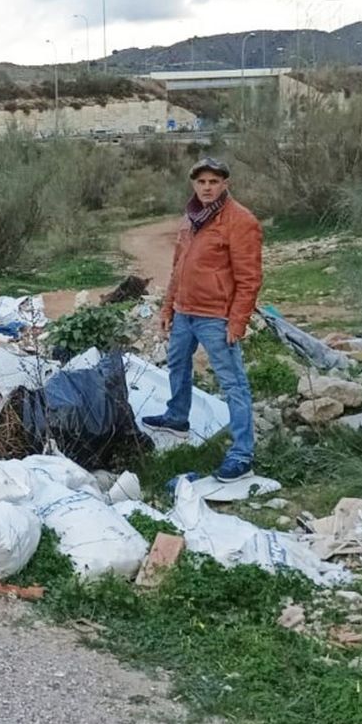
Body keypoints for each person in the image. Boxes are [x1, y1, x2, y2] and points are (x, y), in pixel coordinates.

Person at [143, 156, 264, 482]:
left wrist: (237, 322)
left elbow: (250, 279)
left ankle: (242, 455)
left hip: (216, 317)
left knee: (233, 383)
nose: (207, 188)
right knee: (177, 364)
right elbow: (178, 267)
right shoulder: (190, 217)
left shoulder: (241, 221)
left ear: (225, 184)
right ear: (194, 184)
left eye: (213, 182)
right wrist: (168, 307)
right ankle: (177, 418)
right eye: (201, 182)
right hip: (185, 312)